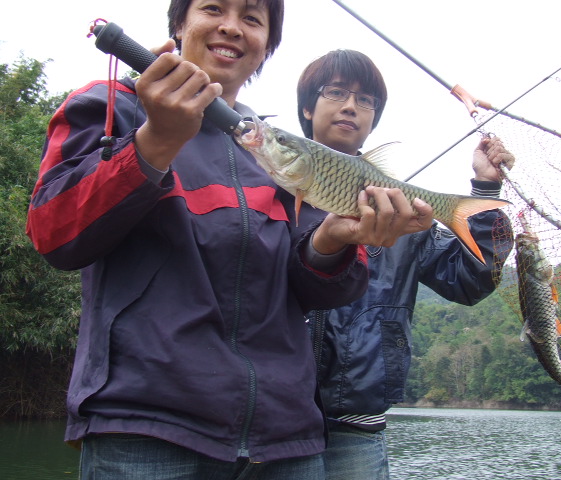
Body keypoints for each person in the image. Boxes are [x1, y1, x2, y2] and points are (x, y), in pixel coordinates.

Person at [25, 3, 433, 479]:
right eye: (214, 7)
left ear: (266, 47)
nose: (232, 27)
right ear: (179, 25)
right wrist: (155, 140)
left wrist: (331, 242)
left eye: (254, 19)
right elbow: (54, 234)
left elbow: (318, 290)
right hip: (146, 429)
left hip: (286, 439)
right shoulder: (110, 104)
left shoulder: (276, 149)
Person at [296, 49, 515, 480]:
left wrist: (486, 190)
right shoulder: (264, 187)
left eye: (365, 101)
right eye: (335, 93)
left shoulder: (402, 215)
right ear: (307, 107)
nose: (350, 107)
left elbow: (470, 282)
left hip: (358, 429)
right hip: (268, 421)